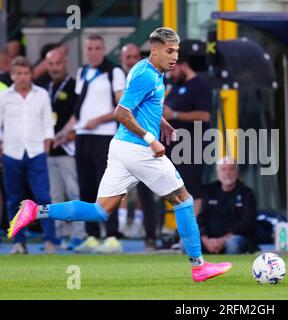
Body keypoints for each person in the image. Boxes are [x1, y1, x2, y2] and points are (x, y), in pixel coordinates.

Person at [7, 27, 232, 282]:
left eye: (177, 52)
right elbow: (121, 112)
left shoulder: (151, 71)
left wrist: (161, 124)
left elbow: (142, 108)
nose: (174, 57)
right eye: (169, 51)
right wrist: (150, 139)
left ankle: (36, 211)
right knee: (184, 199)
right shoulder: (146, 75)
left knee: (100, 211)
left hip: (121, 148)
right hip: (138, 149)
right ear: (155, 50)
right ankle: (198, 266)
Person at [53, 34, 126, 254]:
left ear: (103, 50)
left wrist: (99, 120)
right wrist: (65, 132)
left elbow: (121, 107)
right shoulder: (83, 72)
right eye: (90, 48)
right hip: (83, 137)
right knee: (86, 187)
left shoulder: (114, 72)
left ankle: (112, 236)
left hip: (104, 136)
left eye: (97, 48)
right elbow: (79, 111)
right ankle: (92, 235)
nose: (93, 52)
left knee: (107, 186)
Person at [0, 56, 57, 254]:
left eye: (26, 73)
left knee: (43, 198)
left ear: (31, 74)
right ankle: (18, 242)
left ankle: (50, 240)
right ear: (12, 75)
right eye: (19, 74)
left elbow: (47, 123)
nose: (23, 77)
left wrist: (47, 145)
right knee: (14, 199)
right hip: (11, 152)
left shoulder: (41, 94)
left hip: (36, 152)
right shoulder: (4, 97)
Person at [41, 48, 85, 250]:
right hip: (50, 151)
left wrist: (69, 136)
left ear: (65, 63)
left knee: (74, 192)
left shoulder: (75, 87)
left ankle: (79, 234)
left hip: (68, 149)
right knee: (55, 196)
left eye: (58, 63)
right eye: (50, 64)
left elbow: (80, 117)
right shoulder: (44, 88)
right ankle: (56, 235)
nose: (54, 68)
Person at [119, 43, 161, 251]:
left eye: (136, 56)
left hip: (143, 144)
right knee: (115, 190)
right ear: (122, 59)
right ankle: (113, 234)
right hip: (122, 143)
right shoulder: (119, 79)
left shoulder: (148, 77)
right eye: (129, 57)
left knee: (147, 192)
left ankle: (151, 237)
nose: (132, 60)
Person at [164, 46, 212, 215]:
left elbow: (205, 115)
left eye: (173, 69)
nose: (171, 74)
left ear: (182, 65)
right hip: (175, 146)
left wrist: (175, 114)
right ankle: (182, 231)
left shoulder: (200, 86)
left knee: (192, 188)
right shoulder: (176, 86)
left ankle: (192, 230)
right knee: (177, 189)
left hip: (193, 145)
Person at [191, 157, 258, 254]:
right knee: (185, 243)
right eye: (223, 169)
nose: (227, 173)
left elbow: (247, 223)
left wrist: (223, 239)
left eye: (231, 169)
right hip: (209, 240)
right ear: (218, 173)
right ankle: (198, 268)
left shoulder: (246, 193)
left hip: (234, 238)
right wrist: (206, 240)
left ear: (237, 172)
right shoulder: (209, 191)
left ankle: (232, 268)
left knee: (233, 244)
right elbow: (201, 218)